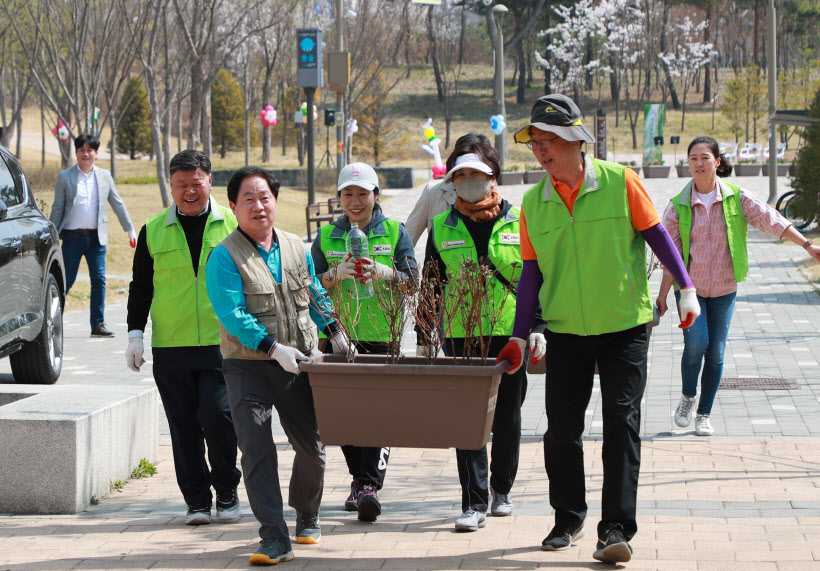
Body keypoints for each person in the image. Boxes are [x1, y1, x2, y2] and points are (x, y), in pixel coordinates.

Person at [497, 94, 700, 564]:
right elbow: (530, 275)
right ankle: (567, 517)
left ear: (574, 140)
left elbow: (658, 236)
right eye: (535, 143)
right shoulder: (534, 202)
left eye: (550, 141)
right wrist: (517, 333)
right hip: (566, 331)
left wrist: (686, 288)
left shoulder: (619, 182)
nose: (542, 150)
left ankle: (614, 529)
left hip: (623, 326)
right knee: (561, 431)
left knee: (621, 424)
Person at [205, 166, 356, 566]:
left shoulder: (295, 246)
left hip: (299, 365)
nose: (258, 206)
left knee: (314, 449)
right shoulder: (223, 257)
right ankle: (273, 536)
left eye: (265, 197)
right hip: (248, 367)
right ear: (233, 207)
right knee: (257, 451)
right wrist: (272, 348)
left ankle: (307, 511)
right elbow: (232, 313)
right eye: (248, 199)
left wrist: (335, 329)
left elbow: (315, 291)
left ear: (276, 201)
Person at [657, 136, 820, 437]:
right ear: (688, 164)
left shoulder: (736, 196)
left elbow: (773, 220)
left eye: (705, 157)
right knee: (695, 344)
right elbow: (670, 254)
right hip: (689, 291)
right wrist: (663, 294)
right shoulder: (677, 205)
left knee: (716, 352)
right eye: (693, 158)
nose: (699, 163)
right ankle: (687, 399)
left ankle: (703, 414)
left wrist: (807, 245)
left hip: (724, 290)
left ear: (717, 162)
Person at [421, 142, 546, 533]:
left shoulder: (520, 219)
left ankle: (501, 490)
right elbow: (431, 282)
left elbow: (535, 278)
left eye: (476, 175)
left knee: (507, 416)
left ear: (492, 178)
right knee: (468, 420)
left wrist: (539, 328)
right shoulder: (442, 226)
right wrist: (424, 331)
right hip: (460, 335)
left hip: (512, 332)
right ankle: (473, 501)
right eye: (460, 176)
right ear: (452, 184)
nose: (469, 182)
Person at [125, 149, 242, 526]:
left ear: (210, 182)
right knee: (182, 425)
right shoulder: (153, 230)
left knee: (218, 417)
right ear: (171, 186)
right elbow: (141, 286)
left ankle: (227, 492)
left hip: (220, 341)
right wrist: (134, 335)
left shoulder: (232, 226)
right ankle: (196, 501)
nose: (189, 192)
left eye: (196, 184)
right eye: (181, 185)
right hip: (170, 344)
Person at [311, 162, 417, 523]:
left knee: (378, 414)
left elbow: (415, 282)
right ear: (339, 197)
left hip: (382, 338)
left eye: (362, 194)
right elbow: (309, 288)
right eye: (348, 194)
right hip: (340, 338)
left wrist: (389, 274)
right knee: (343, 417)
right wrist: (330, 276)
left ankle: (369, 486)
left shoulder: (394, 231)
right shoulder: (326, 238)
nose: (355, 202)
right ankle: (360, 480)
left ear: (376, 195)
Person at [50, 134, 137, 336]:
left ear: (96, 153)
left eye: (90, 150)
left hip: (97, 238)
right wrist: (52, 235)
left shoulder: (104, 176)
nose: (86, 154)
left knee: (99, 280)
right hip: (72, 237)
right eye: (82, 150)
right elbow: (57, 208)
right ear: (76, 152)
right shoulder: (65, 177)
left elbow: (117, 203)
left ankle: (97, 324)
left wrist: (129, 229)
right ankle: (52, 321)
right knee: (65, 281)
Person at [405, 132, 494, 246]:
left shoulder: (496, 200)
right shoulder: (433, 192)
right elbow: (408, 238)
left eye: (475, 171)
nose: (468, 172)